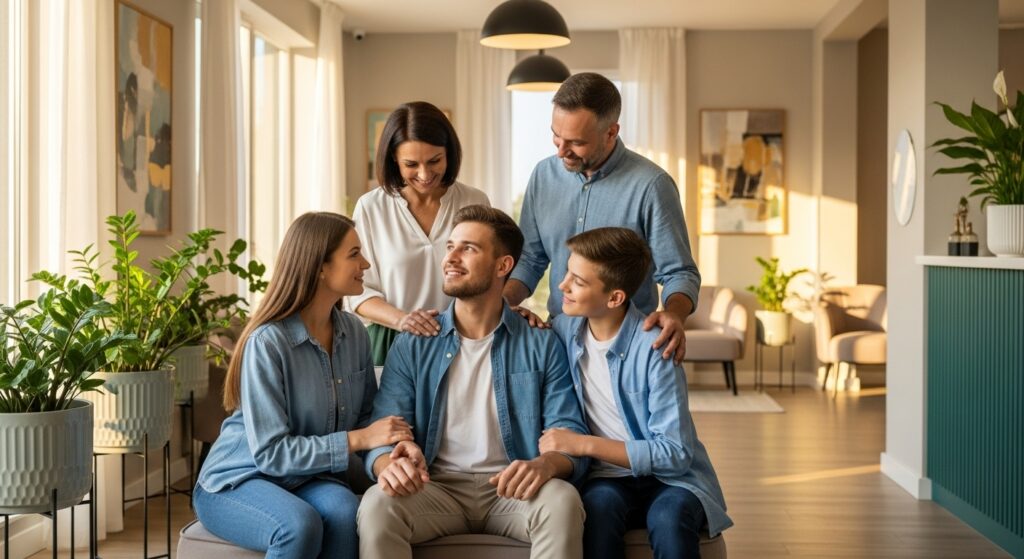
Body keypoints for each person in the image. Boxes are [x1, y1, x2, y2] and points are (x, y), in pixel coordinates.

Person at [357, 205, 590, 559]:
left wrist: (545, 465)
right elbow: (383, 431)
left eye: (468, 248)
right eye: (450, 246)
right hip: (434, 487)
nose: (451, 258)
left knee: (562, 501)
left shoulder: (540, 342)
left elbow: (567, 428)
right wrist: (389, 465)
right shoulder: (415, 342)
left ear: (503, 266)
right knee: (378, 503)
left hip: (513, 488)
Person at [193, 212, 414, 558]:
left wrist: (387, 457)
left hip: (308, 477)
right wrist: (358, 439)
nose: (366, 263)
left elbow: (367, 418)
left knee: (343, 510)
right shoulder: (268, 343)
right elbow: (271, 454)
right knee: (296, 525)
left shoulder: (355, 333)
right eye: (354, 254)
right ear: (319, 267)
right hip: (239, 479)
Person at [541, 227, 731, 558]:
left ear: (615, 298)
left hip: (673, 480)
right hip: (607, 479)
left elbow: (674, 453)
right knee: (597, 509)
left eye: (578, 282)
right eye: (567, 273)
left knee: (668, 517)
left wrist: (583, 444)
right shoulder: (563, 330)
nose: (562, 286)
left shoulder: (656, 346)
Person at [503, 72, 700, 363]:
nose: (560, 151)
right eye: (555, 136)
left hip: (629, 347)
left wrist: (673, 314)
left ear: (611, 132)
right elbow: (531, 259)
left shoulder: (652, 185)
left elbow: (678, 273)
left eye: (576, 142)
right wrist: (500, 305)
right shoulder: (543, 176)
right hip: (558, 343)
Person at [349, 101, 490, 365]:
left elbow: (490, 278)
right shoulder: (371, 207)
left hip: (462, 341)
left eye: (435, 161)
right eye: (411, 164)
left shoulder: (474, 201)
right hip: (391, 340)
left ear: (449, 153)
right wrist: (403, 320)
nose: (425, 174)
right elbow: (358, 291)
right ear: (394, 159)